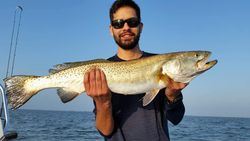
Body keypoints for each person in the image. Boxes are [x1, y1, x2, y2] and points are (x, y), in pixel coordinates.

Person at [84, 0, 188, 140]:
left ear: (141, 26)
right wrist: (103, 103)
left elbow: (176, 119)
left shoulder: (161, 64)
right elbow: (106, 131)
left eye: (132, 22)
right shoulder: (100, 71)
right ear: (111, 29)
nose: (126, 27)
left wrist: (173, 96)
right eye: (118, 23)